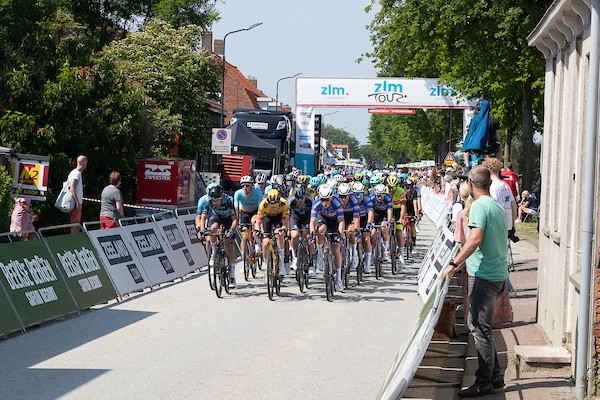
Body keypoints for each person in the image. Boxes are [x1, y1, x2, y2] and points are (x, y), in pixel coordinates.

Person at [442, 165, 508, 397]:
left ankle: (483, 382)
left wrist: (453, 264)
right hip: (498, 274)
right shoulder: (496, 206)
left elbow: (475, 239)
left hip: (485, 276)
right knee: (483, 327)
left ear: (470, 184)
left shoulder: (479, 206)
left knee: (478, 328)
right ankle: (495, 376)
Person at [195, 183, 238, 289]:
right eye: (212, 201)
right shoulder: (208, 201)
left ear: (222, 197)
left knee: (229, 244)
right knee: (212, 229)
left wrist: (232, 230)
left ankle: (232, 275)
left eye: (216, 200)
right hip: (216, 216)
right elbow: (203, 218)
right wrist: (202, 230)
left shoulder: (229, 201)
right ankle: (214, 251)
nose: (214, 203)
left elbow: (235, 219)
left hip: (228, 219)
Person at [310, 184, 345, 292]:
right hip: (323, 219)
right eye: (322, 199)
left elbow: (341, 221)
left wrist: (340, 234)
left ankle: (338, 279)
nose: (325, 202)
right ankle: (320, 254)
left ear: (331, 198)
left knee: (336, 249)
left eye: (327, 199)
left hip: (335, 221)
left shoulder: (337, 203)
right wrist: (312, 234)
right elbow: (312, 222)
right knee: (320, 231)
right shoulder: (316, 204)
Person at [255, 189, 291, 277]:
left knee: (278, 234)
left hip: (279, 218)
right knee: (266, 242)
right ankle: (267, 268)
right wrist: (257, 230)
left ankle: (282, 264)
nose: (274, 208)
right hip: (267, 218)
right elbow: (258, 222)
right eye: (272, 206)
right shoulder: (263, 204)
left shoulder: (284, 204)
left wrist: (284, 229)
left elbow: (286, 223)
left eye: (276, 206)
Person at [234, 175, 263, 261]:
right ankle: (243, 256)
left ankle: (257, 243)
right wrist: (237, 220)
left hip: (255, 211)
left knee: (254, 223)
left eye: (247, 185)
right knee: (244, 236)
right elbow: (236, 208)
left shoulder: (258, 193)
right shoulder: (238, 193)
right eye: (243, 186)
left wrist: (258, 222)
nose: (245, 188)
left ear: (252, 186)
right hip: (244, 212)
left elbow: (260, 209)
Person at [67, 155, 88, 233]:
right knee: (75, 224)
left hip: (76, 203)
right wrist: (77, 202)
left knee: (76, 224)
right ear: (83, 162)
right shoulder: (76, 174)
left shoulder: (76, 173)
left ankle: (74, 240)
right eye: (86, 162)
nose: (86, 164)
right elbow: (72, 188)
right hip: (76, 203)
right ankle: (73, 241)